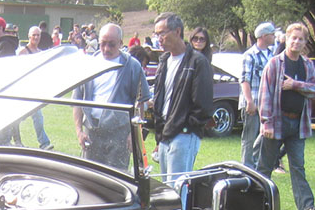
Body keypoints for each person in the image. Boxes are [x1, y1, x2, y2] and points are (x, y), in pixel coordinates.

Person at [257, 22, 315, 210]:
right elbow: (265, 95)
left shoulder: (307, 65)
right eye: (293, 38)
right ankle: (256, 204)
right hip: (276, 123)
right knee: (264, 166)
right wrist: (266, 122)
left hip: (298, 124)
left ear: (305, 43)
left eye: (301, 39)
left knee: (298, 166)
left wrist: (295, 85)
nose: (296, 42)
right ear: (286, 39)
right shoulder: (274, 64)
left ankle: (306, 208)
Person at [73, 23, 151, 170]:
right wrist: (79, 131)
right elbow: (77, 100)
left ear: (121, 43)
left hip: (119, 135)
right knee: (90, 177)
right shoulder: (87, 65)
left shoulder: (132, 66)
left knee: (116, 180)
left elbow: (140, 103)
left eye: (112, 45)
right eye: (103, 44)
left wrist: (134, 135)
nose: (106, 49)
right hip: (92, 133)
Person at [150, 13, 213, 183]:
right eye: (156, 34)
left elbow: (204, 106)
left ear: (177, 31)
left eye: (162, 33)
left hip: (184, 135)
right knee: (167, 190)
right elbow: (160, 99)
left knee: (178, 190)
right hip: (164, 134)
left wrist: (186, 128)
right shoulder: (164, 61)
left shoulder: (197, 62)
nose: (159, 39)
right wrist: (160, 133)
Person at [240, 22, 276, 169]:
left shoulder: (271, 55)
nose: (274, 37)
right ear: (264, 36)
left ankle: (257, 163)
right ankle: (247, 167)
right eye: (272, 34)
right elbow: (244, 79)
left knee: (264, 135)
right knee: (249, 137)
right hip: (253, 102)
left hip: (267, 105)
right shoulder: (249, 55)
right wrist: (249, 101)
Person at [17, 25, 53, 149]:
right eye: (34, 35)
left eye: (38, 35)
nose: (36, 37)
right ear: (29, 36)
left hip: (34, 91)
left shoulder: (41, 54)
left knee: (37, 116)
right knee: (17, 118)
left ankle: (44, 143)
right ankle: (9, 138)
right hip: (23, 91)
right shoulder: (22, 53)